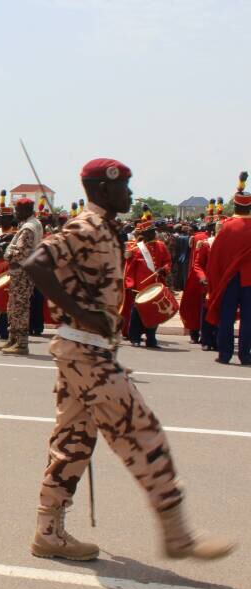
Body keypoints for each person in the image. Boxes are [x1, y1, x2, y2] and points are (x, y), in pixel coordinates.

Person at [24, 157, 234, 562]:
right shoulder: (85, 226)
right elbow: (37, 264)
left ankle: (48, 532)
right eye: (126, 187)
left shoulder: (102, 227)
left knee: (73, 443)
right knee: (142, 432)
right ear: (104, 189)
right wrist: (84, 313)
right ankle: (178, 533)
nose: (131, 194)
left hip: (85, 351)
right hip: (85, 352)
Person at [205, 173, 251, 365]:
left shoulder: (227, 227)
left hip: (229, 279)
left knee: (227, 316)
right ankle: (245, 355)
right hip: (250, 280)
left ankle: (224, 354)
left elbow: (215, 256)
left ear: (236, 206)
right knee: (248, 319)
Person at [0, 196, 42, 355]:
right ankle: (13, 339)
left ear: (26, 211)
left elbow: (20, 252)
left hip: (23, 273)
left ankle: (21, 343)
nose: (15, 213)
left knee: (19, 307)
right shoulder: (31, 224)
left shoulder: (29, 228)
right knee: (14, 305)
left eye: (17, 210)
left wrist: (7, 254)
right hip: (22, 272)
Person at [124, 212, 171, 348]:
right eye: (151, 232)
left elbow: (167, 262)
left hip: (156, 285)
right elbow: (130, 270)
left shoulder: (161, 246)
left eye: (153, 231)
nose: (154, 234)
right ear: (144, 234)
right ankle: (135, 338)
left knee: (154, 314)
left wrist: (165, 269)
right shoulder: (137, 249)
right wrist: (130, 285)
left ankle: (151, 339)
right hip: (140, 287)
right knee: (137, 314)